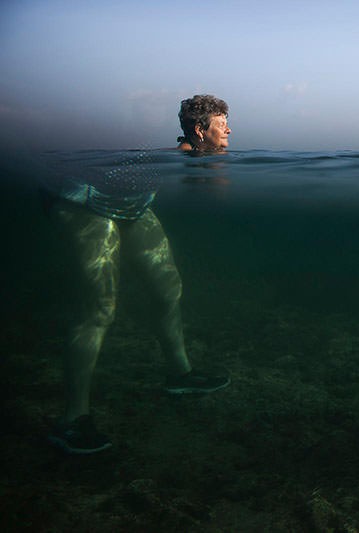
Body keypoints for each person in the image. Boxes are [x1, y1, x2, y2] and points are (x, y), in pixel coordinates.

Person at [46, 95, 232, 454]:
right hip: (86, 202)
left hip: (132, 205)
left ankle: (180, 375)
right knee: (99, 307)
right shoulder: (172, 156)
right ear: (199, 130)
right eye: (222, 125)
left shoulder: (198, 158)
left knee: (168, 288)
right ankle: (71, 420)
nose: (230, 129)